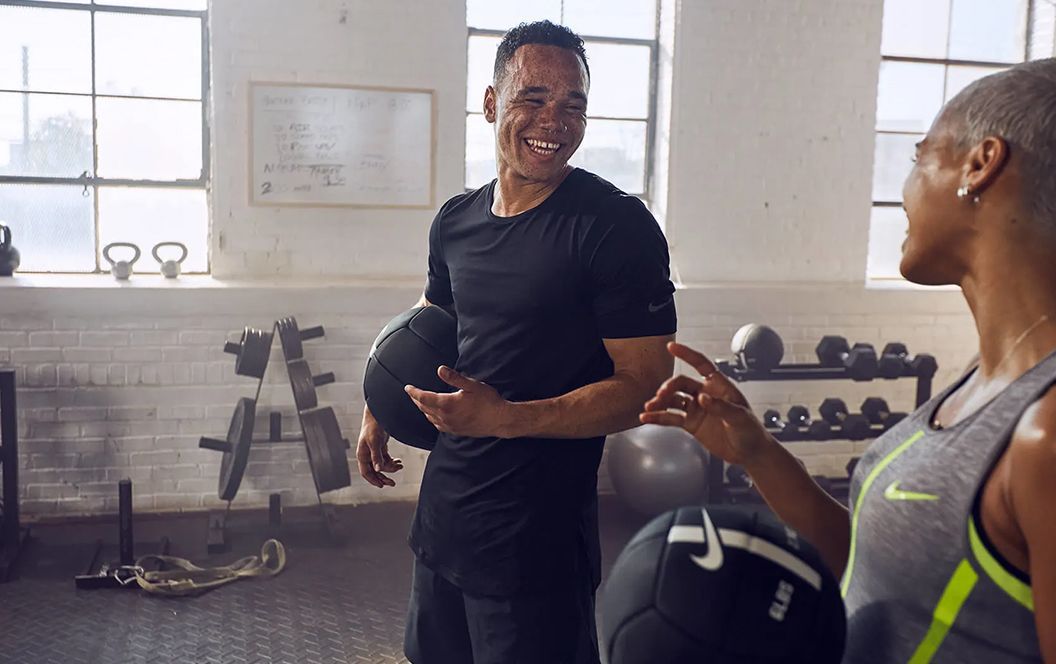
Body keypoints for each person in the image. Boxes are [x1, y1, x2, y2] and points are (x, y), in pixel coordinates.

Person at [642, 58, 1056, 662]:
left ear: (981, 164)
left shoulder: (1046, 428)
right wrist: (757, 452)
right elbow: (869, 563)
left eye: (919, 156)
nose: (903, 190)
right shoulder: (980, 380)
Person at [355, 21, 678, 664]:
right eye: (533, 98)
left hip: (538, 546)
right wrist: (381, 401)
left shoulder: (616, 228)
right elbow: (433, 321)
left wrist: (507, 419)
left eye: (573, 105)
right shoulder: (456, 221)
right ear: (491, 104)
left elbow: (645, 386)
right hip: (443, 526)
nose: (553, 121)